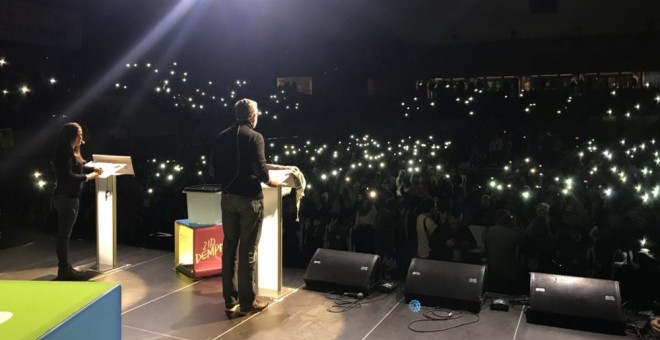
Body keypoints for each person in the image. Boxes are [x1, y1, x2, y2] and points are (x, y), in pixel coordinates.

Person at [211, 98, 280, 317]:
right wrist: (270, 181)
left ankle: (229, 300)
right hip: (249, 200)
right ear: (253, 116)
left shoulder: (222, 136)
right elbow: (260, 168)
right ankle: (248, 302)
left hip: (227, 197)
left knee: (229, 248)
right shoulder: (255, 137)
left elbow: (213, 168)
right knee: (248, 251)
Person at [51, 122, 102, 280]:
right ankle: (64, 269)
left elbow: (78, 168)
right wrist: (89, 177)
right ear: (71, 136)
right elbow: (69, 177)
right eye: (79, 134)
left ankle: (65, 268)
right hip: (67, 198)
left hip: (66, 197)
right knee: (64, 236)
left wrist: (93, 169)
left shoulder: (69, 152)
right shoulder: (64, 153)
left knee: (64, 235)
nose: (81, 137)